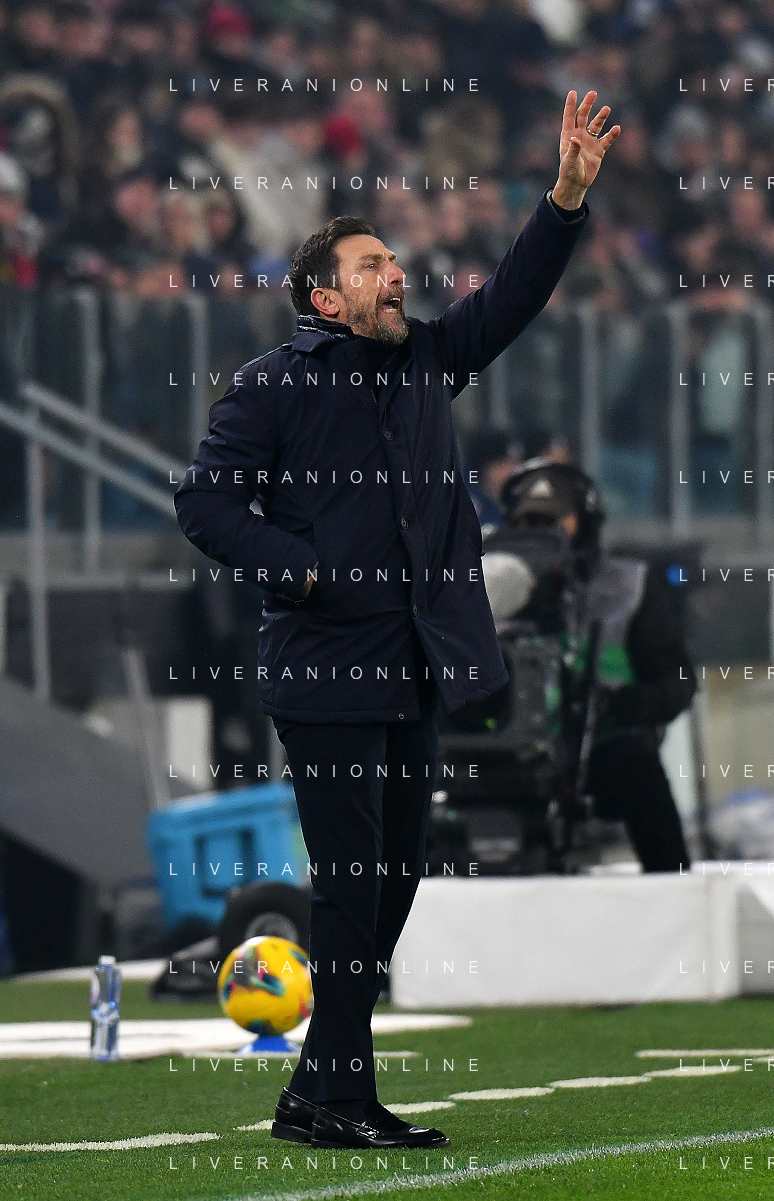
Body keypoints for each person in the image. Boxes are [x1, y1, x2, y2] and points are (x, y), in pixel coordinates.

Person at [174, 91, 620, 1151]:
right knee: (350, 881)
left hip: (414, 663)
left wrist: (562, 201)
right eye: (372, 265)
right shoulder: (269, 388)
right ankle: (340, 1095)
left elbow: (510, 297)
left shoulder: (426, 360)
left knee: (396, 875)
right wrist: (304, 571)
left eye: (391, 261)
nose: (396, 275)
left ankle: (317, 1087)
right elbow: (205, 504)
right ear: (326, 298)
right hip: (324, 664)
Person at [498, 457, 695, 872]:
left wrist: (622, 704)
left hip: (601, 750)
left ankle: (674, 888)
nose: (542, 534)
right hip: (502, 750)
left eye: (555, 522)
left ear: (584, 524)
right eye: (529, 523)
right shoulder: (486, 588)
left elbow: (677, 681)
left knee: (641, 775)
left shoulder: (630, 587)